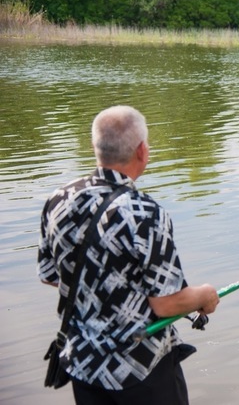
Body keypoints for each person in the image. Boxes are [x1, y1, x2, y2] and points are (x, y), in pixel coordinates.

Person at [37, 105, 219, 404]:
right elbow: (167, 304)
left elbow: (50, 275)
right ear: (142, 151)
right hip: (139, 370)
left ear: (97, 148)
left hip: (84, 366)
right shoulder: (145, 213)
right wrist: (205, 295)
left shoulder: (59, 199)